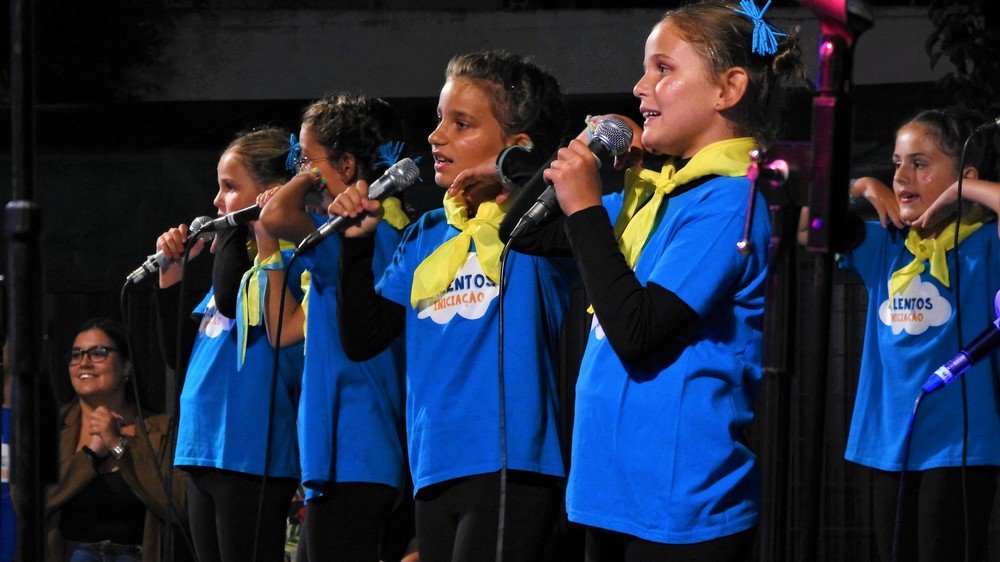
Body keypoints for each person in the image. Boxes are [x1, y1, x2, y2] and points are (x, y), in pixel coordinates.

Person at [496, 2, 805, 558]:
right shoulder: (656, 198)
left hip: (679, 506)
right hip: (609, 496)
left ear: (728, 88)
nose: (640, 88)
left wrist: (586, 207)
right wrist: (584, 154)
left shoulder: (730, 202)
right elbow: (519, 231)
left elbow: (638, 332)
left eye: (663, 69)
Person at [329, 51, 570, 560]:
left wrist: (514, 174)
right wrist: (356, 247)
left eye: (461, 124)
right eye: (440, 120)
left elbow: (559, 179)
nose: (436, 136)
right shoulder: (427, 233)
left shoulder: (539, 223)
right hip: (433, 466)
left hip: (510, 467)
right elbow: (363, 339)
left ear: (517, 145)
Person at [838, 107, 1000, 561]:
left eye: (920, 163)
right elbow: (802, 217)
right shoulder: (884, 243)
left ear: (964, 177)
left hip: (959, 446)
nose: (901, 177)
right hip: (888, 442)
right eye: (896, 164)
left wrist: (962, 193)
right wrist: (863, 186)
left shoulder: (985, 244)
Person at [257, 93, 409, 561]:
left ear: (345, 164)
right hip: (339, 456)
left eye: (305, 158)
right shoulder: (342, 235)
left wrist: (309, 176)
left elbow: (275, 216)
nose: (298, 169)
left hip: (358, 451)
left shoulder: (358, 236)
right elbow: (282, 331)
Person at [154, 127, 304, 562]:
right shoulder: (235, 270)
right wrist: (171, 278)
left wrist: (244, 227)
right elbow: (179, 358)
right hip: (203, 449)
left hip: (249, 452)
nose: (217, 201)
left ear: (271, 192)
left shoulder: (286, 263)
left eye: (230, 187)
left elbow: (233, 304)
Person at [45, 318, 188, 562]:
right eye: (76, 355)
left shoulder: (163, 429)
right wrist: (91, 454)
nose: (84, 362)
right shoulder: (53, 427)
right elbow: (27, 501)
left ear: (126, 367)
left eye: (98, 353)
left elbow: (178, 505)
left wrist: (117, 445)